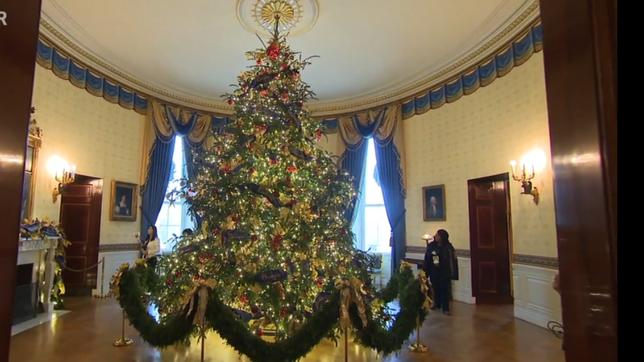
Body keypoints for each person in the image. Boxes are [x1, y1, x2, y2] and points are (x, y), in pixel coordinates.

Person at [423, 229, 458, 315]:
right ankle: (436, 303)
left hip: (444, 271)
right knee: (435, 288)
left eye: (437, 235)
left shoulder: (448, 247)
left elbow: (452, 259)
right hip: (434, 271)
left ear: (442, 237)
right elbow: (429, 257)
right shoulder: (432, 245)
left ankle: (445, 308)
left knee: (445, 290)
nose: (435, 236)